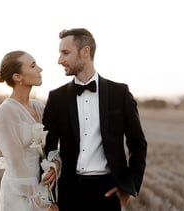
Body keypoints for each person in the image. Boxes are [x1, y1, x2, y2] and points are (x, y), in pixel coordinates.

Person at [43, 28, 147, 211]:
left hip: (107, 192)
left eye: (65, 53)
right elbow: (46, 149)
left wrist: (129, 186)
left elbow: (137, 143)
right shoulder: (56, 98)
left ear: (85, 52)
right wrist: (49, 198)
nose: (60, 60)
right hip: (68, 194)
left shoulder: (119, 93)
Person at [0, 50, 59, 211]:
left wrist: (56, 164)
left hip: (43, 187)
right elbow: (16, 163)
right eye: (33, 66)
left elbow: (53, 145)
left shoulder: (40, 107)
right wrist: (41, 204)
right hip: (21, 195)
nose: (40, 69)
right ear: (18, 77)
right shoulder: (6, 112)